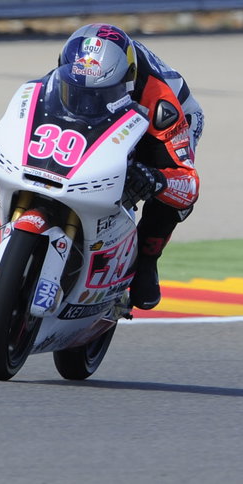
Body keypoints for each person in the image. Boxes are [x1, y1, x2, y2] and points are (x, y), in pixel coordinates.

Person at [50, 22, 204, 311]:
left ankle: (147, 260)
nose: (89, 102)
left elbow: (188, 185)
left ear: (127, 80)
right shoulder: (73, 69)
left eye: (100, 93)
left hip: (167, 120)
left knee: (166, 192)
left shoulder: (160, 101)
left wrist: (156, 179)